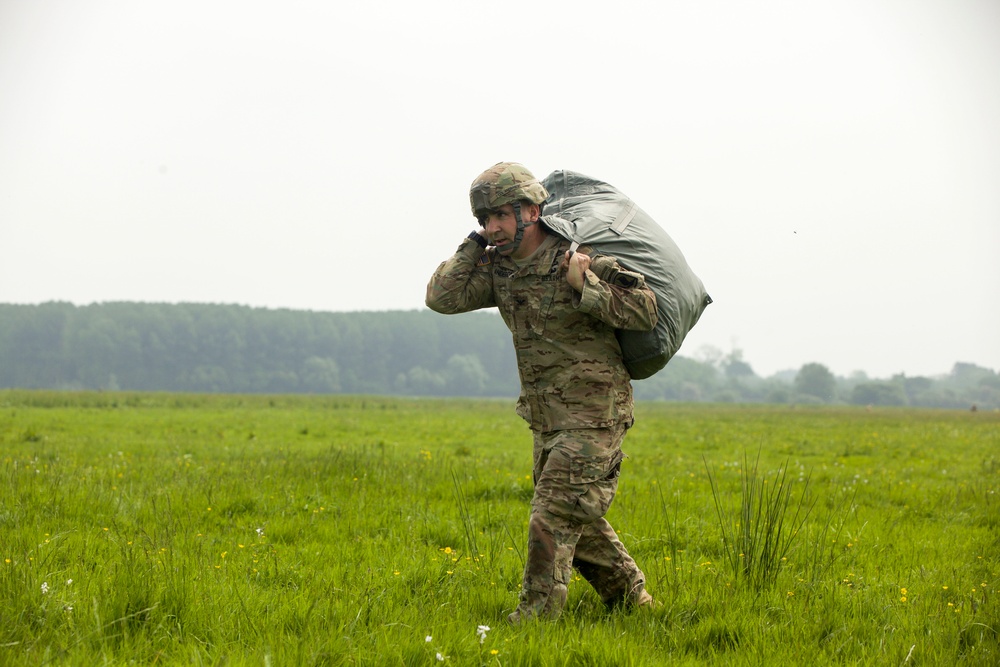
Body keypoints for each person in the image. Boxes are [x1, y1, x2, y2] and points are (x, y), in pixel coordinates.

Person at [425, 162, 659, 623]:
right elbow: (442, 297)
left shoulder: (576, 255)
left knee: (550, 516)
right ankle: (632, 600)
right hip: (545, 418)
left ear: (532, 209)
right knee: (577, 515)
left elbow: (646, 309)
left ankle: (534, 620)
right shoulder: (499, 269)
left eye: (501, 216)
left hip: (596, 414)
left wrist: (586, 284)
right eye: (484, 219)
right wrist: (474, 246)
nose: (492, 227)